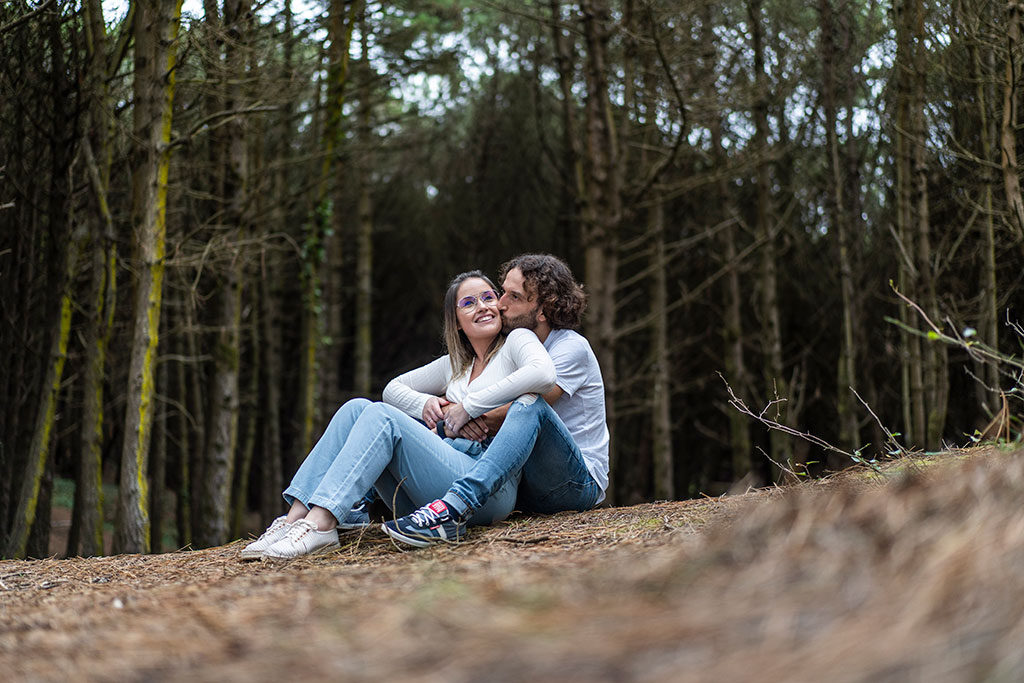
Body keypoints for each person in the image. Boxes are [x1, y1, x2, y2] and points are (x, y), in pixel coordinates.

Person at [241, 270, 556, 560]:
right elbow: (393, 389)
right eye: (469, 303)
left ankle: (322, 524)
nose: (483, 307)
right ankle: (296, 519)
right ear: (457, 321)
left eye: (489, 297)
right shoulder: (455, 366)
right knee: (356, 409)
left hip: (487, 488)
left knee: (383, 417)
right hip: (436, 485)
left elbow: (543, 375)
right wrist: (436, 407)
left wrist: (470, 407)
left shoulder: (517, 341)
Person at [382, 254, 609, 547]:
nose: (500, 304)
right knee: (414, 416)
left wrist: (457, 416)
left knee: (530, 404)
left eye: (514, 297)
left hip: (573, 482)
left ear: (543, 310)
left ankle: (454, 508)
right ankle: (359, 501)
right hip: (525, 482)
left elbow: (509, 415)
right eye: (502, 292)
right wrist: (448, 411)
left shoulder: (569, 348)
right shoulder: (510, 349)